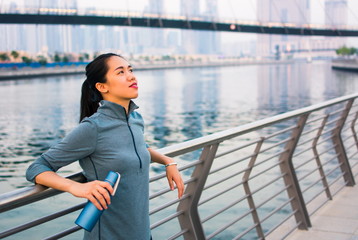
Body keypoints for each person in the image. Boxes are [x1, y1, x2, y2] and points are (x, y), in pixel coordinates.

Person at [26, 53, 184, 240]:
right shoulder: (93, 128)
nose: (131, 76)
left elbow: (139, 147)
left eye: (130, 70)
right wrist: (76, 187)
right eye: (120, 72)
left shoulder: (135, 119)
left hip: (142, 234)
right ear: (102, 87)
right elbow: (36, 167)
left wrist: (167, 161)